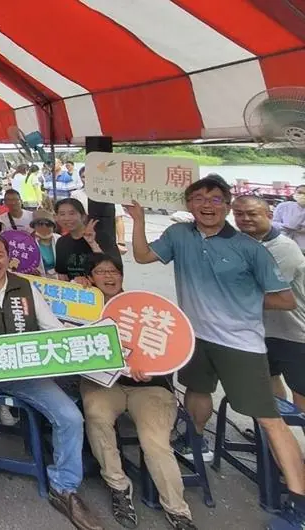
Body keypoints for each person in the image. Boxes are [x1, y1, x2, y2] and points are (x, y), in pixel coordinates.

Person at [128, 177, 305, 528]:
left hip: (241, 343)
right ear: (188, 204)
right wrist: (138, 220)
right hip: (194, 337)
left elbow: (284, 299)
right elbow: (143, 256)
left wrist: (243, 300)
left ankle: (299, 502)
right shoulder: (179, 235)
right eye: (198, 198)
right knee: (197, 389)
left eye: (214, 199)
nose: (206, 205)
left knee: (269, 418)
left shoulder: (249, 248)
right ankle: (195, 442)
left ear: (226, 205)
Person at [0, 234, 100, 529]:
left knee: (71, 417)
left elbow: (52, 328)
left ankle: (65, 488)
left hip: (26, 373)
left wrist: (81, 338)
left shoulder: (26, 287)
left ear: (9, 258)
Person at [78, 253, 197, 530]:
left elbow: (171, 348)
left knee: (155, 442)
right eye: (100, 272)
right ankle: (118, 486)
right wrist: (75, 292)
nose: (108, 276)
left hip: (151, 388)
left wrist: (154, 369)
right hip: (106, 384)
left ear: (122, 275)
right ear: (90, 277)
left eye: (113, 271)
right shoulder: (84, 306)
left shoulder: (144, 308)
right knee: (96, 416)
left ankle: (178, 510)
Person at [232, 195, 305, 411]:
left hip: (293, 332)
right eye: (239, 214)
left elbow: (260, 290)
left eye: (252, 214)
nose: (245, 219)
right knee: (269, 382)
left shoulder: (283, 247)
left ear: (269, 215)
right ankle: (277, 430)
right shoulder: (239, 244)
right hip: (260, 330)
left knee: (300, 390)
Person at [54, 198, 103, 282]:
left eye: (72, 213)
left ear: (83, 217)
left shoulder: (99, 237)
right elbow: (62, 275)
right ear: (57, 218)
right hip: (74, 288)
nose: (67, 218)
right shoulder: (61, 242)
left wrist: (92, 243)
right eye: (62, 214)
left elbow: (110, 268)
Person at [273, 184, 305, 253]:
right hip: (282, 244)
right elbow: (273, 223)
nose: (303, 195)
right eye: (300, 192)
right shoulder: (283, 206)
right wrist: (284, 226)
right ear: (294, 193)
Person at [31, 209, 61, 277]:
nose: (44, 227)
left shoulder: (60, 239)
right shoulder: (28, 242)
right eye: (40, 224)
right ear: (34, 226)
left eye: (48, 224)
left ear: (53, 227)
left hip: (59, 279)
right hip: (38, 280)